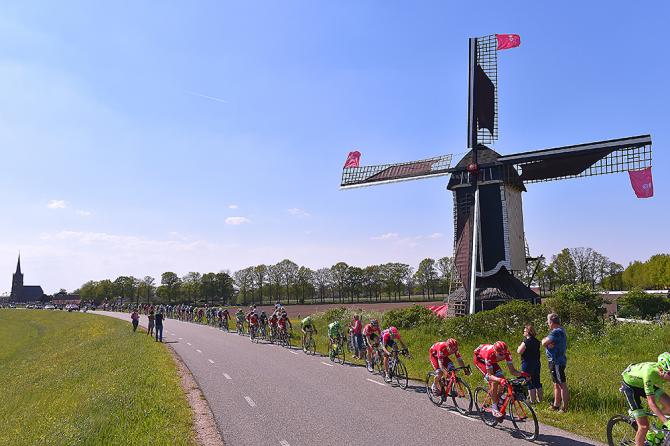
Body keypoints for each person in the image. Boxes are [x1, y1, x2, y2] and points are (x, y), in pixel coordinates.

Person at [621, 353, 670, 446]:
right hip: (630, 386)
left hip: (642, 383)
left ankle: (659, 433)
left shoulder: (665, 372)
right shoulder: (650, 373)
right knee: (644, 426)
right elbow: (651, 403)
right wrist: (666, 421)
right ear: (661, 370)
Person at [473, 341, 524, 418]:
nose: (503, 356)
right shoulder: (489, 354)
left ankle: (498, 398)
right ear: (495, 351)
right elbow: (490, 375)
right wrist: (499, 380)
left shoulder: (506, 353)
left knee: (502, 379)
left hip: (492, 362)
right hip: (480, 361)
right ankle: (494, 407)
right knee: (495, 382)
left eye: (504, 354)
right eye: (500, 354)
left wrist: (523, 374)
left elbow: (512, 371)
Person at [542, 313, 569, 412]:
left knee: (562, 384)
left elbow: (544, 342)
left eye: (548, 322)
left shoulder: (556, 332)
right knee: (556, 384)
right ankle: (556, 405)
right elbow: (547, 343)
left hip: (556, 361)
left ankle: (564, 408)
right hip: (556, 360)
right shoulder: (560, 331)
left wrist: (545, 342)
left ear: (552, 322)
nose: (547, 324)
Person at [517, 324, 542, 403]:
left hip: (527, 363)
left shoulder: (526, 341)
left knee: (529, 381)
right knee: (537, 381)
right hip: (536, 363)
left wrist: (518, 347)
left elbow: (519, 351)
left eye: (524, 331)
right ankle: (540, 400)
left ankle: (532, 401)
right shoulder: (537, 341)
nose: (523, 332)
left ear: (528, 332)